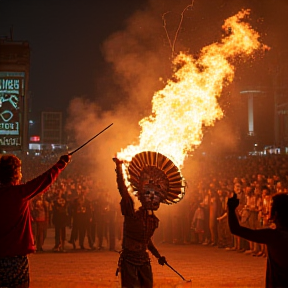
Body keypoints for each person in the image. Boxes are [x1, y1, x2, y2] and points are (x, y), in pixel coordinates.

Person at [113, 151, 185, 288]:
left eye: (157, 193)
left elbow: (147, 241)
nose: (152, 197)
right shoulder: (131, 213)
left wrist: (158, 256)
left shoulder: (153, 221)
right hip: (129, 260)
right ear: (140, 194)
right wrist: (119, 168)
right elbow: (122, 189)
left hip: (144, 261)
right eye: (148, 192)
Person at [0, 153, 71, 288]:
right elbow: (44, 180)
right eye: (19, 170)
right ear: (15, 173)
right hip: (15, 259)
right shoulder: (19, 193)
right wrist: (61, 163)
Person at [228, 192, 288, 288]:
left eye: (271, 206)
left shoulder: (273, 236)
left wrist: (231, 210)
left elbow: (236, 229)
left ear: (276, 213)